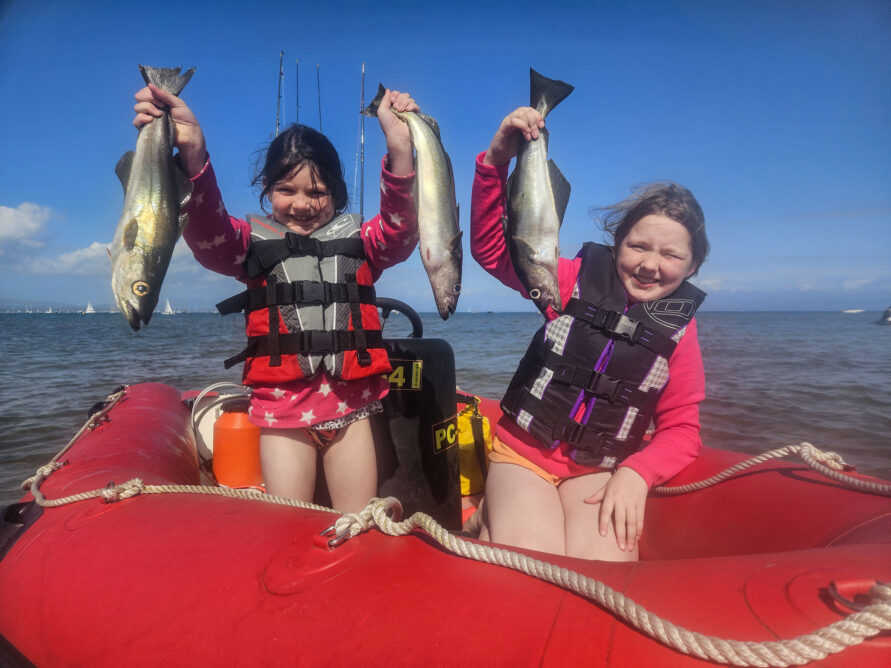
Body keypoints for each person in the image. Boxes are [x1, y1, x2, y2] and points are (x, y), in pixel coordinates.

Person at [133, 82, 421, 513]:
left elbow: (401, 231)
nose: (302, 204)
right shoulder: (249, 243)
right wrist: (193, 151)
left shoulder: (364, 242)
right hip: (281, 417)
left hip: (352, 412)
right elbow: (208, 234)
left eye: (317, 192)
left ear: (337, 193)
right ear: (267, 189)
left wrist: (399, 148)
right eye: (287, 190)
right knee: (287, 525)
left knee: (358, 523)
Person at [471, 106, 709, 560]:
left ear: (693, 265)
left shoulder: (680, 333)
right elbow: (492, 250)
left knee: (604, 573)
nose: (650, 264)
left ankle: (491, 519)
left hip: (599, 469)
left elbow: (682, 431)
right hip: (523, 454)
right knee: (531, 564)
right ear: (618, 243)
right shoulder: (566, 280)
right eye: (638, 245)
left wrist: (637, 473)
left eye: (671, 255)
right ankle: (493, 512)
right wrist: (495, 163)